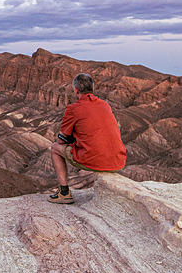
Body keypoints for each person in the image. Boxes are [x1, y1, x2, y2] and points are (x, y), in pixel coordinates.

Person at [48, 73, 126, 204]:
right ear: (93, 88)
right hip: (119, 161)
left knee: (55, 148)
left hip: (95, 160)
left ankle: (64, 192)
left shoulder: (73, 108)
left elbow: (61, 140)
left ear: (76, 90)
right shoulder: (105, 105)